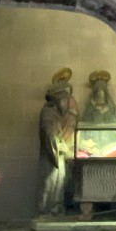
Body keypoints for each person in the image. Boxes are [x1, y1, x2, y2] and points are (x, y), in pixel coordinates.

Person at [38, 80, 78, 215]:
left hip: (57, 155)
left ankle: (55, 210)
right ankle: (45, 211)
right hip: (50, 156)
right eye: (65, 98)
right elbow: (49, 135)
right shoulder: (47, 113)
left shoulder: (56, 114)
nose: (67, 102)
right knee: (49, 183)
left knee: (59, 183)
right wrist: (60, 147)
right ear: (58, 97)